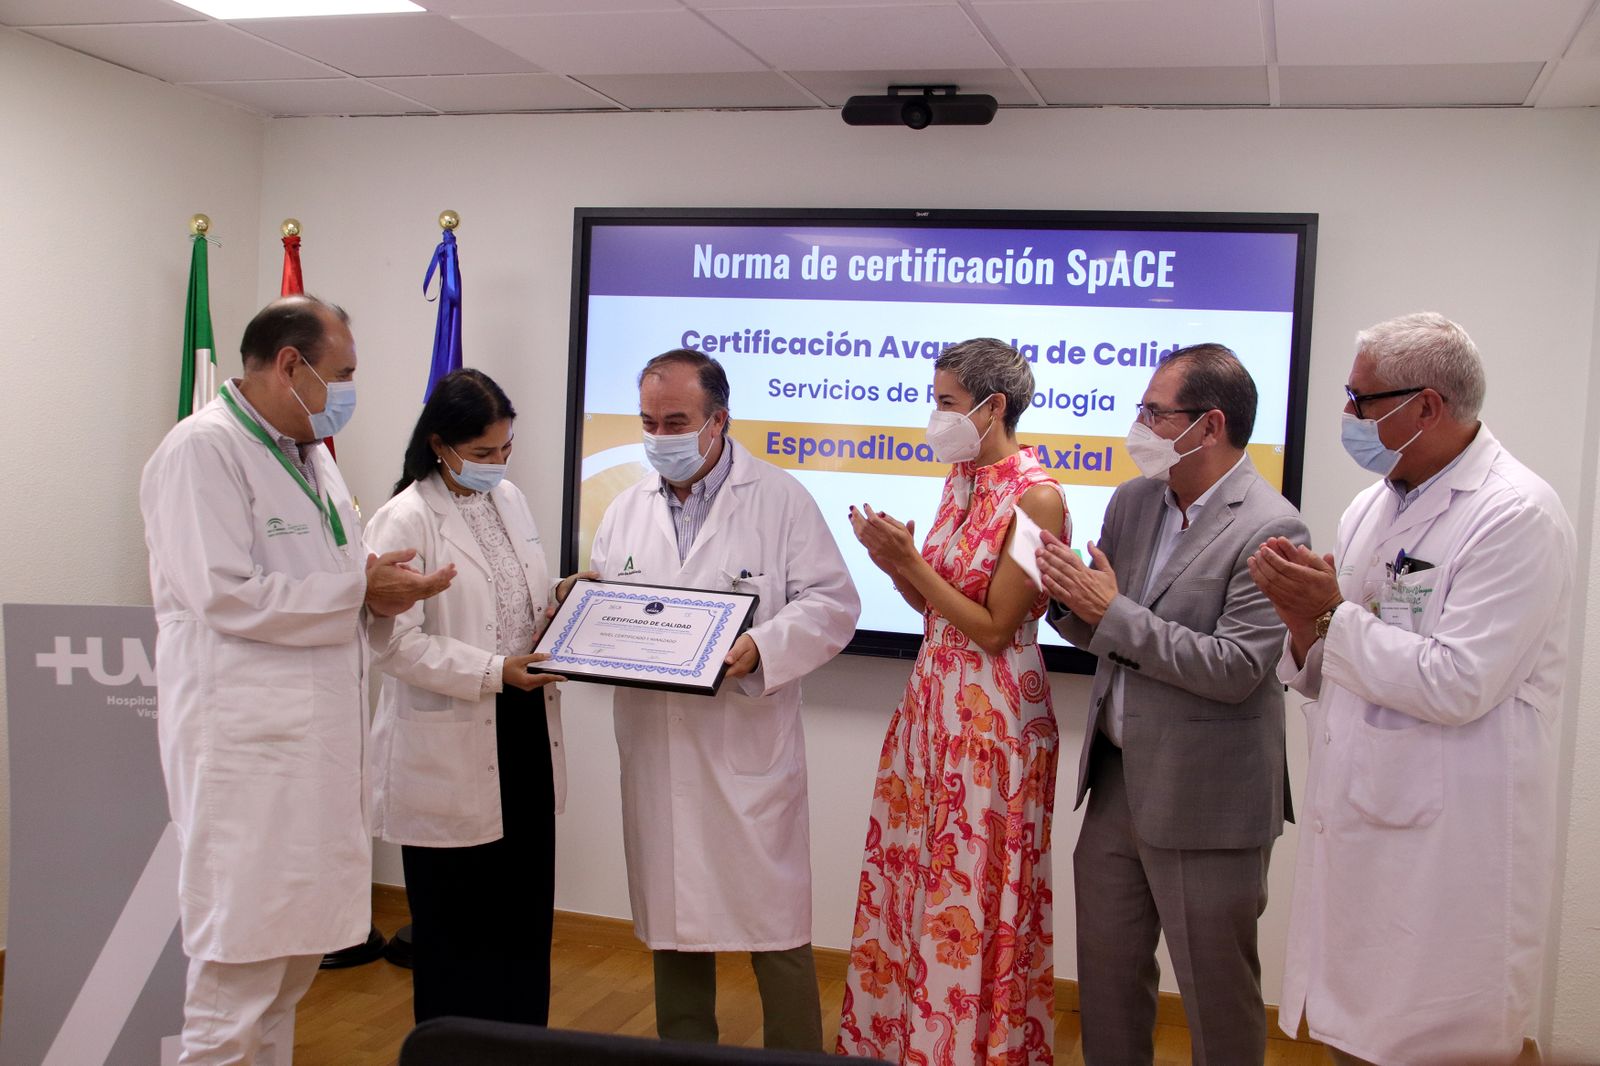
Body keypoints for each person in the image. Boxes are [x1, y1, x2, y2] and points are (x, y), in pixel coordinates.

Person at [1249, 313, 1575, 1066]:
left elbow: (1460, 681)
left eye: (1361, 399)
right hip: (1364, 824)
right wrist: (1304, 627)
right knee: (1353, 1040)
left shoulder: (1514, 514)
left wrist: (1328, 614)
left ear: (1426, 406)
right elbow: (1335, 662)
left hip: (1446, 849)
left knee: (1427, 1042)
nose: (1347, 416)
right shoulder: (1371, 506)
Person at [140, 295, 454, 1065]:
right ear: (291, 364)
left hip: (308, 756)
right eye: (341, 372)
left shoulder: (309, 457)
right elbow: (223, 592)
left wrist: (373, 581)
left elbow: (333, 575)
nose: (348, 389)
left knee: (284, 978)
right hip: (244, 759)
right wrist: (359, 591)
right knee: (232, 993)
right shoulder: (200, 452)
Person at [1037, 344, 1308, 1066]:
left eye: (1155, 413)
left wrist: (1111, 610)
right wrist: (1062, 603)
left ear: (1209, 425)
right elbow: (1109, 630)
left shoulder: (1272, 528)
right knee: (1106, 983)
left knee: (1217, 999)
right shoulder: (1134, 500)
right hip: (1119, 781)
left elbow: (1237, 669)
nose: (1140, 425)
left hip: (1211, 796)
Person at [587, 349, 860, 1051]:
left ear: (719, 420)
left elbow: (833, 602)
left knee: (776, 931)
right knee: (674, 927)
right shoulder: (625, 507)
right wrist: (580, 610)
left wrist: (763, 647)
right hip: (659, 742)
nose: (659, 436)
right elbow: (606, 598)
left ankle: (796, 1060)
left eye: (675, 421)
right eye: (648, 421)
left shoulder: (778, 497)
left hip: (744, 747)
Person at [837, 337, 1069, 1066]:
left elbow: (998, 628)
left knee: (973, 900)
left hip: (994, 725)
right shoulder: (961, 479)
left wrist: (913, 566)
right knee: (920, 891)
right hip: (932, 711)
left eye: (945, 401)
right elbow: (941, 610)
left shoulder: (1037, 496)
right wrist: (896, 567)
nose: (935, 415)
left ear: (991, 406)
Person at [364, 368, 592, 1026]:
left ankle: (524, 1045)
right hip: (457, 733)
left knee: (523, 920)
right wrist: (495, 670)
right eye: (483, 453)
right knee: (457, 932)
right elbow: (393, 645)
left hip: (522, 722)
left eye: (506, 448)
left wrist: (567, 598)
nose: (497, 464)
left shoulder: (509, 500)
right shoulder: (405, 516)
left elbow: (516, 599)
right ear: (441, 444)